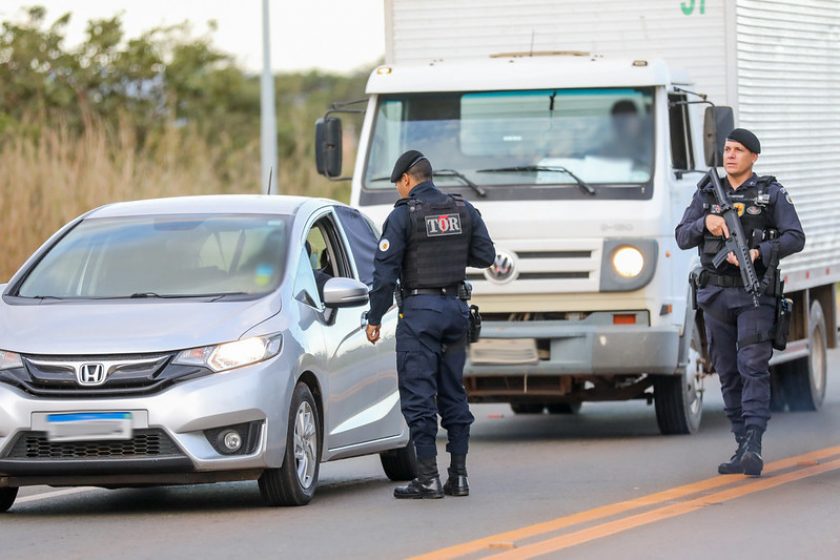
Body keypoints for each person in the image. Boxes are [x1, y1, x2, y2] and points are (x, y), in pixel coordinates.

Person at [365, 150, 495, 499]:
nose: (398, 191)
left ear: (407, 179)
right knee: (454, 392)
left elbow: (384, 273)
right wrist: (453, 249)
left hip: (420, 314)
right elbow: (486, 256)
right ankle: (459, 476)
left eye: (398, 185)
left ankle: (427, 478)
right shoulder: (464, 210)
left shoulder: (404, 216)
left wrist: (374, 317)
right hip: (456, 310)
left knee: (419, 394)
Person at [675, 128, 805, 476]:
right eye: (728, 149)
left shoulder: (770, 194)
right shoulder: (706, 193)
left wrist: (757, 251)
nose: (730, 155)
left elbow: (796, 237)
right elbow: (682, 235)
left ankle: (754, 442)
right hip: (715, 295)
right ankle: (740, 440)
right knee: (728, 371)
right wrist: (707, 221)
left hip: (754, 294)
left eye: (739, 150)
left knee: (752, 365)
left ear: (754, 157)